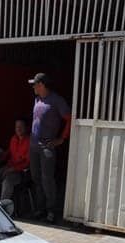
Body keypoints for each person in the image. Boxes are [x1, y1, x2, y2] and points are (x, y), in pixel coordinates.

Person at [28, 73, 71, 223]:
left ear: (42, 85)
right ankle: (40, 209)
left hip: (47, 146)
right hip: (33, 146)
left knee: (48, 180)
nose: (33, 86)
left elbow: (69, 118)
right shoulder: (37, 99)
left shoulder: (57, 100)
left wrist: (62, 139)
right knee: (36, 178)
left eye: (35, 84)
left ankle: (51, 211)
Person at [0, 119, 31, 203]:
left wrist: (13, 169)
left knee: (7, 181)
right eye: (16, 127)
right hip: (8, 167)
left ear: (26, 128)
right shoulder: (14, 138)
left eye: (21, 127)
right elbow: (9, 152)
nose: (18, 129)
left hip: (21, 172)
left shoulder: (30, 141)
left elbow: (27, 163)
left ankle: (3, 206)